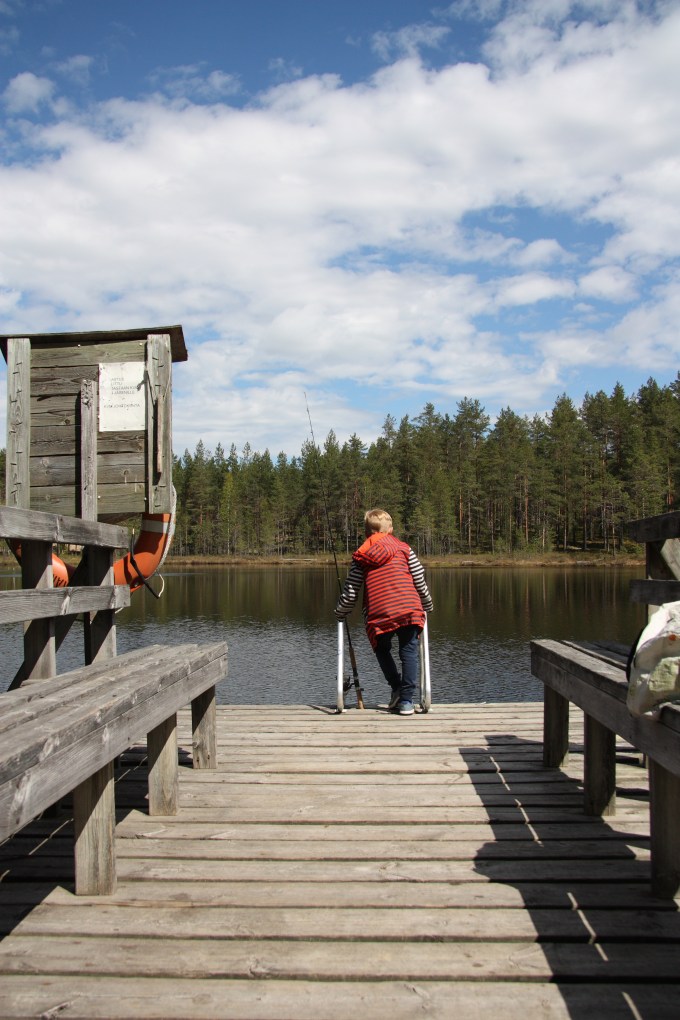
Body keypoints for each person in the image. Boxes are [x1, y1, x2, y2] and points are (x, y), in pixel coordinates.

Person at [335, 508, 433, 715]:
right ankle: (406, 701)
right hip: (409, 608)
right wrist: (427, 604)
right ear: (390, 530)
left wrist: (341, 611)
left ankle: (396, 687)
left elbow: (351, 590)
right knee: (408, 651)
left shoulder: (361, 556)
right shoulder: (404, 549)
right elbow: (419, 579)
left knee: (381, 648)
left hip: (379, 612)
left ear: (366, 533)